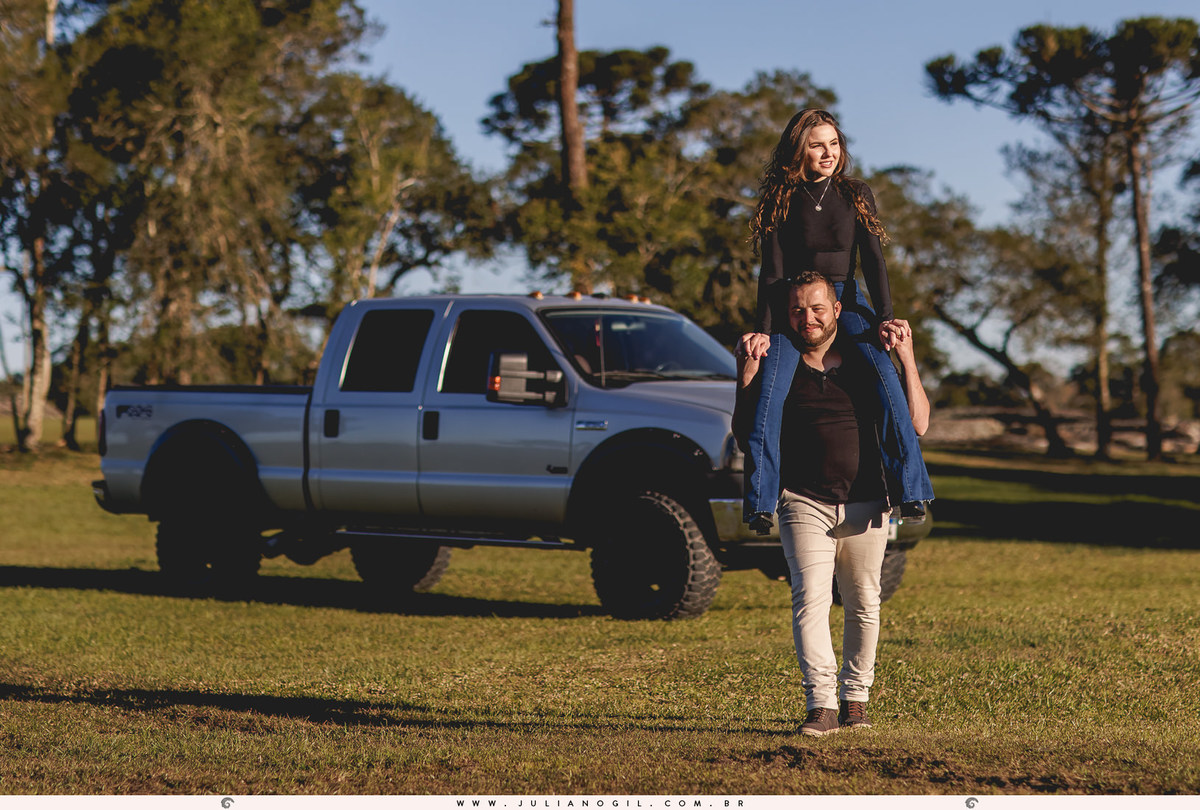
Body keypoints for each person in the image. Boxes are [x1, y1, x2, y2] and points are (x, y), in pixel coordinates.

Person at [734, 271, 929, 737]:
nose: (809, 318)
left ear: (837, 309)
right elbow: (747, 433)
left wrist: (906, 356)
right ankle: (820, 704)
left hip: (867, 501)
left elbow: (918, 424)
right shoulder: (780, 363)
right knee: (810, 601)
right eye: (798, 310)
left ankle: (856, 701)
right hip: (803, 500)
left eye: (818, 308)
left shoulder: (870, 363)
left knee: (864, 602)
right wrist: (745, 368)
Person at [739, 108, 933, 519]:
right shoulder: (781, 197)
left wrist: (885, 318)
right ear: (799, 151)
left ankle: (911, 492)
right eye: (817, 146)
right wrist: (764, 330)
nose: (829, 153)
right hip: (796, 303)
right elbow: (771, 272)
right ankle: (760, 504)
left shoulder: (855, 192)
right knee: (769, 396)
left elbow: (874, 261)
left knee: (886, 382)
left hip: (846, 297)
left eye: (834, 143)